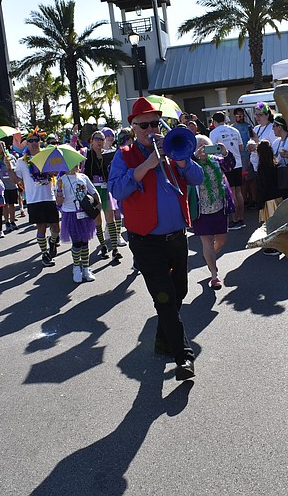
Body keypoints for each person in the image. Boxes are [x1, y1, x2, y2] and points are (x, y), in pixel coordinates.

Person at [108, 97, 204, 381]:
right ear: (133, 127)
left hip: (176, 237)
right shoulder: (123, 155)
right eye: (144, 125)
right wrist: (147, 164)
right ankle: (183, 356)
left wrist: (183, 158)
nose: (151, 129)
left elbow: (197, 178)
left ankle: (164, 339)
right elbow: (118, 190)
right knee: (164, 298)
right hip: (145, 240)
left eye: (155, 123)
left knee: (179, 293)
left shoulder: (173, 148)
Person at [10, 133, 61, 266]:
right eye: (31, 140)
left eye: (36, 140)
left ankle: (52, 242)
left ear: (40, 142)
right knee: (41, 228)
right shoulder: (22, 162)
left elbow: (56, 172)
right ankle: (44, 254)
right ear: (26, 143)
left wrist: (51, 172)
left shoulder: (47, 156)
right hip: (34, 200)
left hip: (49, 197)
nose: (34, 143)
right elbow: (17, 180)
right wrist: (9, 168)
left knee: (56, 227)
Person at [192, 134, 234, 289]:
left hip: (219, 208)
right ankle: (214, 275)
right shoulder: (192, 164)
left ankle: (208, 257)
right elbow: (182, 171)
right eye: (199, 146)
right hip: (201, 211)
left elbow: (230, 165)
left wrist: (225, 152)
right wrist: (194, 157)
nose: (203, 149)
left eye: (206, 146)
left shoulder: (216, 162)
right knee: (207, 242)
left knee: (222, 240)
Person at [56, 164, 99, 283]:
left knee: (85, 241)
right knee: (77, 242)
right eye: (73, 163)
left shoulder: (83, 177)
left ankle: (86, 267)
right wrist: (59, 189)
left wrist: (98, 205)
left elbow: (94, 192)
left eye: (77, 162)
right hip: (70, 214)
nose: (76, 165)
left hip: (85, 213)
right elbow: (59, 202)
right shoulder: (62, 180)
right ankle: (76, 267)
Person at [85, 131, 122, 260]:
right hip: (94, 189)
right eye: (97, 139)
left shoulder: (108, 155)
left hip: (106, 189)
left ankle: (115, 249)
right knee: (98, 220)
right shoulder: (87, 154)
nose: (99, 141)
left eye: (101, 139)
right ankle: (103, 246)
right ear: (92, 141)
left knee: (110, 218)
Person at [209, 111, 245, 229]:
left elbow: (211, 150)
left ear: (214, 121)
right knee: (238, 191)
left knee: (231, 192)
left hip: (225, 164)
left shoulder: (214, 132)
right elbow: (241, 147)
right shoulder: (235, 130)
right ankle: (241, 218)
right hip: (237, 163)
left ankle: (234, 220)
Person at [0, 141, 19, 232]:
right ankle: (7, 222)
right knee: (4, 205)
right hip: (1, 186)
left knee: (12, 204)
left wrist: (9, 163)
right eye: (1, 147)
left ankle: (13, 221)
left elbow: (16, 169)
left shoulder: (11, 157)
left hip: (11, 184)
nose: (3, 148)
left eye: (4, 146)